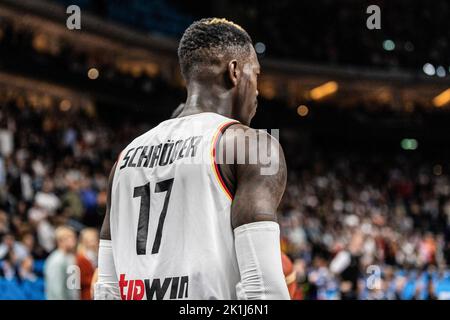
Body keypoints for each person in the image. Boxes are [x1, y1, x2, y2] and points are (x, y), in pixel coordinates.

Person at [95, 18, 289, 300]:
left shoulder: (124, 158)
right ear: (234, 71)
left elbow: (107, 290)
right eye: (255, 74)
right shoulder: (251, 145)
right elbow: (265, 291)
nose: (257, 90)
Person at [44, 226, 79, 300]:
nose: (73, 240)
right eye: (69, 237)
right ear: (60, 241)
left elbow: (73, 286)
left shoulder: (70, 257)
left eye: (73, 237)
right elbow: (56, 289)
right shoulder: (56, 260)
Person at [76, 228, 99, 300]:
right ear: (84, 241)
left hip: (96, 290)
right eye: (90, 239)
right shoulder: (81, 258)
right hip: (86, 294)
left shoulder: (97, 255)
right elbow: (81, 279)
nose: (93, 242)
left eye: (94, 239)